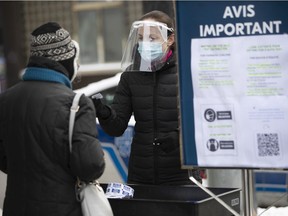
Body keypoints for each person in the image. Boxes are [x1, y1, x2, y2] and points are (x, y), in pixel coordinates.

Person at [0, 22, 105, 216]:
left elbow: (4, 160)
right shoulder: (76, 104)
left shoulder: (5, 100)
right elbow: (90, 167)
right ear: (67, 61)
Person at [93, 10, 202, 185]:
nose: (145, 43)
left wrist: (179, 138)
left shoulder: (185, 73)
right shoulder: (131, 75)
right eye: (142, 38)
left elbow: (203, 119)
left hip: (181, 173)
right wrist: (103, 111)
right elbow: (117, 127)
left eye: (152, 38)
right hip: (141, 173)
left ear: (170, 39)